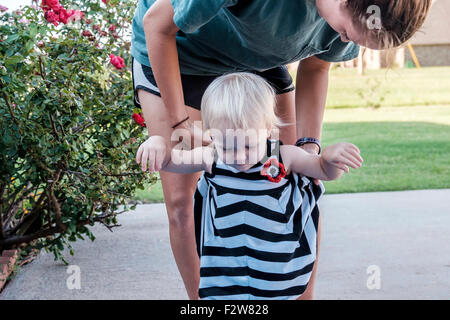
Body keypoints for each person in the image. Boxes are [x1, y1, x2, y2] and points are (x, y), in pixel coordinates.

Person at [131, 0, 432, 299]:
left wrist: (309, 148)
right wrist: (180, 126)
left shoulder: (350, 20)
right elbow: (158, 25)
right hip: (180, 57)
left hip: (258, 62)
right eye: (345, 32)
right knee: (183, 202)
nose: (343, 40)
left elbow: (317, 67)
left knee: (298, 186)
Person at [136, 72, 363, 299]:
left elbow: (322, 172)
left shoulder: (285, 156)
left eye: (248, 146)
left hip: (276, 271)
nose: (239, 158)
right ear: (211, 135)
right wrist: (158, 144)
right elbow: (170, 161)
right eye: (227, 147)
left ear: (267, 130)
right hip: (225, 272)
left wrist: (329, 160)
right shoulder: (210, 157)